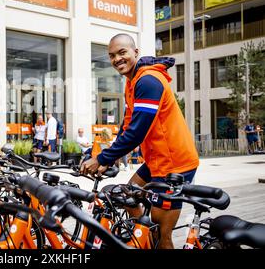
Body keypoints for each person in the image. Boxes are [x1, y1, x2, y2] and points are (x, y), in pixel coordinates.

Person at [80, 33, 200, 249]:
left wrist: (103, 158)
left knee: (163, 235)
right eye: (112, 55)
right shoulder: (132, 82)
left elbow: (137, 132)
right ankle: (142, 237)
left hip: (175, 164)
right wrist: (106, 157)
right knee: (128, 195)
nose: (117, 59)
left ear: (136, 52)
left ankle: (153, 238)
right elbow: (127, 126)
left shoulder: (148, 81)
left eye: (122, 52)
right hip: (156, 159)